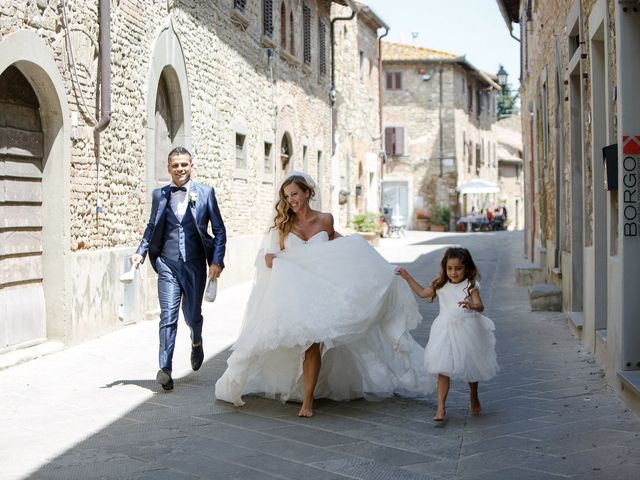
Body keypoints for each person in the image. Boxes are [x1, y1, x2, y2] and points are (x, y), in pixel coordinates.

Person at [215, 172, 431, 417]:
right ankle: (297, 386)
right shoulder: (282, 225)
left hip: (320, 294)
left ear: (308, 192)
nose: (291, 200)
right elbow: (267, 256)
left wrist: (379, 268)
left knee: (312, 343)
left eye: (295, 194)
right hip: (293, 293)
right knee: (289, 345)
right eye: (286, 197)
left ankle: (307, 401)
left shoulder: (325, 220)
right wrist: (273, 259)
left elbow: (342, 248)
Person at [131, 147, 226, 391]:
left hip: (195, 265)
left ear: (191, 165)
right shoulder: (159, 195)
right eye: (175, 165)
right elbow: (152, 227)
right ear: (169, 168)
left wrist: (216, 261)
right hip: (167, 264)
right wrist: (140, 252)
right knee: (168, 317)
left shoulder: (205, 193)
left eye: (184, 164)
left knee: (192, 316)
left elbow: (219, 230)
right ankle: (165, 369)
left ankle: (196, 340)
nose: (180, 169)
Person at [395, 247, 498, 422]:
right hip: (443, 329)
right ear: (445, 268)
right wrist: (407, 277)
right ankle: (441, 407)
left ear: (466, 268)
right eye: (450, 268)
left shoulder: (470, 286)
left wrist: (472, 306)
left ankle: (473, 393)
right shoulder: (440, 284)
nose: (454, 272)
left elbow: (480, 306)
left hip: (467, 329)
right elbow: (422, 293)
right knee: (442, 367)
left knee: (470, 364)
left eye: (458, 268)